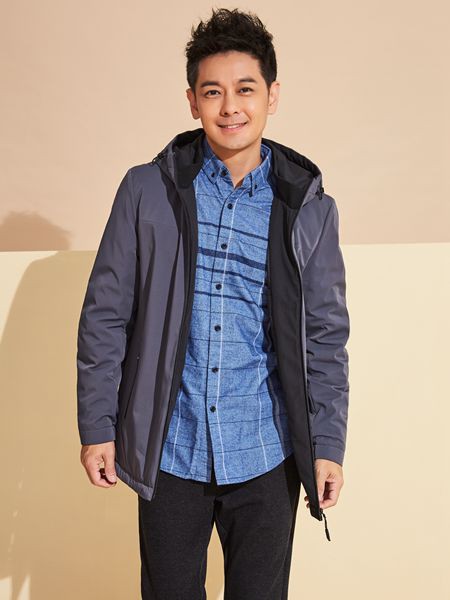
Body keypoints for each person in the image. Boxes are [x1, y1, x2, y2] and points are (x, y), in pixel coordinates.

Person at [77, 7, 350, 599]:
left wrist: (327, 443)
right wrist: (97, 426)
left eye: (245, 89)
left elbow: (325, 335)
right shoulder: (146, 190)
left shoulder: (307, 207)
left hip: (267, 452)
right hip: (171, 450)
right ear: (192, 101)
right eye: (213, 92)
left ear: (272, 95)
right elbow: (105, 315)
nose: (230, 107)